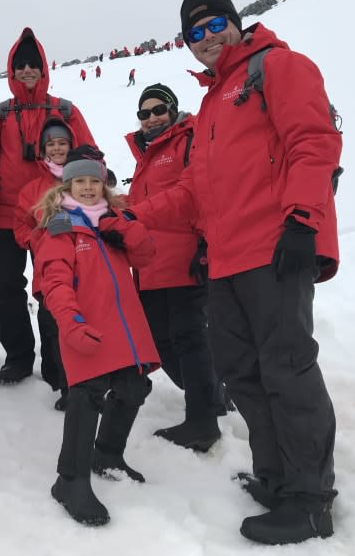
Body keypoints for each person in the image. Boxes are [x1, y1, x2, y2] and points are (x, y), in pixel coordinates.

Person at [128, 0, 342, 544]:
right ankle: (275, 477)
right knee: (244, 375)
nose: (205, 38)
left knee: (287, 370)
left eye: (214, 24)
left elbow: (314, 142)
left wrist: (302, 220)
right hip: (224, 262)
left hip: (275, 248)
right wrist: (130, 214)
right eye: (193, 32)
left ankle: (310, 497)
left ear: (234, 21)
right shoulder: (212, 103)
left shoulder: (278, 67)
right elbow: (193, 194)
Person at [33, 147, 160, 526]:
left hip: (124, 327)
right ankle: (69, 479)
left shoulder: (112, 222)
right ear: (67, 185)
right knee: (86, 396)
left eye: (94, 181)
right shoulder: (60, 226)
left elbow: (147, 255)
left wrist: (125, 227)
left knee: (134, 388)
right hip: (85, 325)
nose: (88, 188)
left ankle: (107, 454)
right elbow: (53, 280)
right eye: (80, 181)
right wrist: (69, 322)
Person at [0, 27, 97, 385]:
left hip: (56, 214)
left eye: (33, 64)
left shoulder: (64, 110)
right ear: (11, 71)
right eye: (20, 65)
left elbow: (88, 151)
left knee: (54, 286)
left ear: (43, 68)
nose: (27, 71)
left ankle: (59, 364)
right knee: (6, 286)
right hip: (5, 215)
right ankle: (18, 357)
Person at [124, 83, 226, 452]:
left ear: (173, 109)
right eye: (144, 113)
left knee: (189, 338)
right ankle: (212, 395)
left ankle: (202, 421)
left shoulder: (188, 140)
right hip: (150, 262)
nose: (151, 118)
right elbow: (142, 201)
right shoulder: (147, 154)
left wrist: (132, 212)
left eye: (158, 110)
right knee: (161, 341)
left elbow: (188, 195)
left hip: (184, 256)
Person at [14, 124, 85, 411]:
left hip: (86, 268)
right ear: (42, 150)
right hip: (50, 271)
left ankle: (81, 383)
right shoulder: (32, 189)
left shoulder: (84, 179)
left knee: (80, 324)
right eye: (50, 144)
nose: (57, 149)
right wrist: (40, 238)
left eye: (62, 143)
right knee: (52, 325)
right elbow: (21, 226)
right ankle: (60, 380)